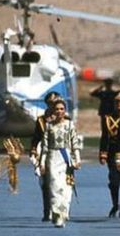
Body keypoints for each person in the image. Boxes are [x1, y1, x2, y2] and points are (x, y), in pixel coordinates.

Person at [39, 99, 82, 228]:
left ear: (65, 111)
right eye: (57, 109)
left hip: (66, 158)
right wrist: (41, 163)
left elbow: (75, 143)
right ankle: (56, 213)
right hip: (53, 158)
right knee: (54, 186)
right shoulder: (48, 126)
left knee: (66, 187)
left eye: (62, 109)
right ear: (53, 111)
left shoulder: (70, 125)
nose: (59, 111)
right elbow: (45, 147)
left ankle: (63, 212)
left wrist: (77, 159)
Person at [99, 91, 120, 217]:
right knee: (114, 180)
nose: (119, 104)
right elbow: (104, 137)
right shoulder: (107, 119)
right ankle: (115, 204)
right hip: (113, 152)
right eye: (117, 101)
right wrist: (103, 153)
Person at [30, 91, 60, 222]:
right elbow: (36, 138)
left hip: (61, 156)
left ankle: (60, 209)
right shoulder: (41, 120)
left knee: (60, 185)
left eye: (56, 103)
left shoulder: (66, 120)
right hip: (46, 155)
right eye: (51, 103)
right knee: (46, 184)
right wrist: (33, 152)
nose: (54, 106)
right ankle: (47, 210)